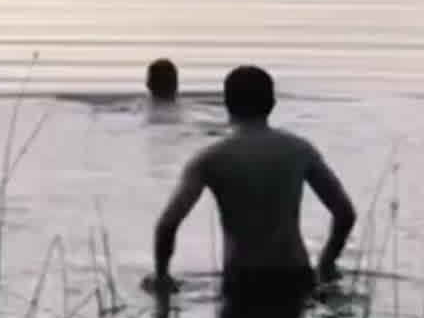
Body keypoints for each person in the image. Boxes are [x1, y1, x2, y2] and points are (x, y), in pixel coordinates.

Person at [146, 65, 354, 296]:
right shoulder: (300, 150)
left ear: (227, 104)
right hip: (296, 274)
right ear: (272, 104)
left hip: (242, 278)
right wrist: (326, 262)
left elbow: (168, 224)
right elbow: (345, 213)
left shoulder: (210, 158)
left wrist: (161, 276)